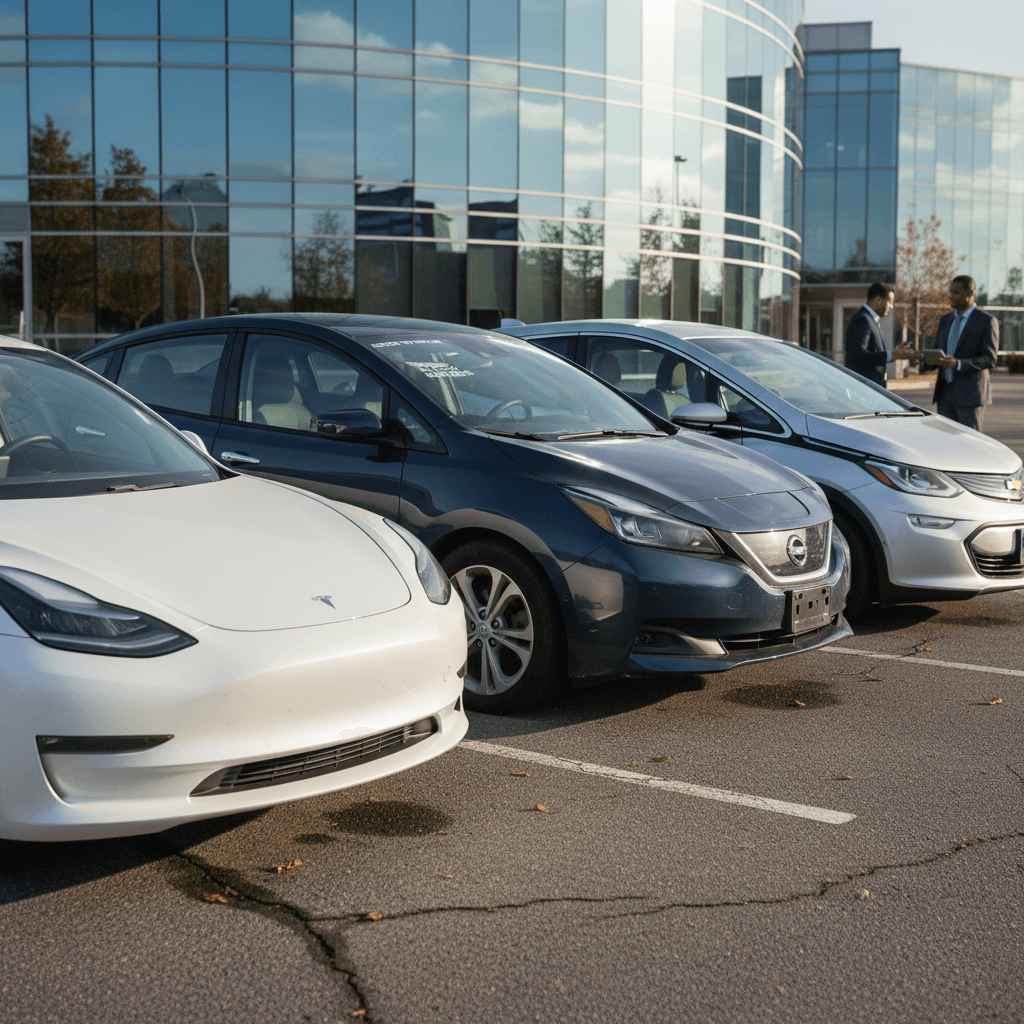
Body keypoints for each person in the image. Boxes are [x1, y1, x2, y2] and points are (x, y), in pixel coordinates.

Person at [932, 275, 998, 432]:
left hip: (970, 396)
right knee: (945, 444)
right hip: (944, 393)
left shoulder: (986, 321)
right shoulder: (945, 320)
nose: (951, 296)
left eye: (956, 292)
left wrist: (959, 364)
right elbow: (937, 350)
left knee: (971, 444)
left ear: (971, 294)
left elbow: (990, 358)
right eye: (950, 292)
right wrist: (922, 358)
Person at [844, 282, 918, 387]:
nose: (891, 306)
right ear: (878, 300)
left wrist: (893, 354)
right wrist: (891, 355)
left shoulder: (871, 320)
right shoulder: (863, 319)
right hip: (864, 390)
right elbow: (858, 355)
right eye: (890, 302)